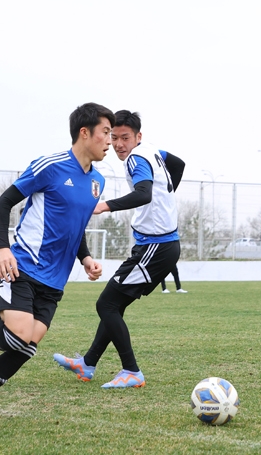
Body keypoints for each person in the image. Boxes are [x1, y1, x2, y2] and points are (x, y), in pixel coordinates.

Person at [0, 102, 114, 424]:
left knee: (25, 348)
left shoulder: (97, 181)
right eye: (105, 132)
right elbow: (4, 202)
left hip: (55, 280)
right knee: (18, 335)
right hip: (24, 265)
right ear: (84, 133)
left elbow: (75, 226)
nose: (110, 141)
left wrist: (85, 257)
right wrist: (3, 249)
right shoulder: (50, 166)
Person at [54, 110, 185, 389]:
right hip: (158, 246)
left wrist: (105, 205)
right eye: (113, 137)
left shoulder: (137, 157)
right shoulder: (153, 151)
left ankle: (132, 371)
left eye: (125, 138)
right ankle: (88, 363)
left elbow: (143, 193)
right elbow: (179, 164)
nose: (118, 144)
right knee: (114, 305)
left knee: (107, 304)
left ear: (138, 137)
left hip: (156, 247)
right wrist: (168, 193)